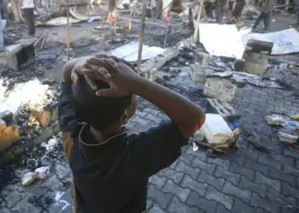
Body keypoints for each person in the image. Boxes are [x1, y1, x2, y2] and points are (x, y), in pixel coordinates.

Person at [59, 54, 205, 213]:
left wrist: (81, 62)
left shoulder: (71, 131)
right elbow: (194, 120)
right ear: (123, 118)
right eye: (134, 93)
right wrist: (136, 82)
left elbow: (66, 73)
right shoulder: (133, 157)